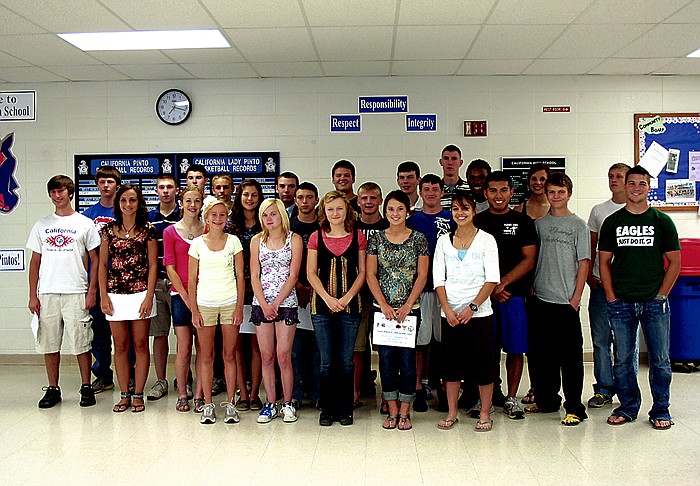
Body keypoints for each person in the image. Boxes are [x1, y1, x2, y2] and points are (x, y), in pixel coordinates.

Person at [599, 165, 681, 430]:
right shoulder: (613, 221)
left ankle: (661, 409)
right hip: (621, 302)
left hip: (654, 303)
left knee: (659, 359)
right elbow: (604, 262)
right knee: (623, 359)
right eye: (631, 183)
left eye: (641, 184)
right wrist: (610, 296)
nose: (635, 188)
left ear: (649, 187)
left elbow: (675, 262)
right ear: (625, 186)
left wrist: (661, 296)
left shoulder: (662, 221)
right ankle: (628, 406)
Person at [27, 175, 101, 408]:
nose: (57, 196)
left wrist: (92, 291)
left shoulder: (84, 223)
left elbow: (95, 260)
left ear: (71, 193)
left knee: (81, 343)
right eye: (53, 192)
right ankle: (53, 388)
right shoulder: (41, 225)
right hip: (48, 292)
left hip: (76, 291)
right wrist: (32, 295)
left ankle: (86, 386)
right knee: (49, 343)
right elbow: (35, 262)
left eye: (62, 191)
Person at [434, 191, 499, 432]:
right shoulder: (443, 241)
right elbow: (438, 279)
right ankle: (452, 412)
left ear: (474, 211)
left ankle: (484, 412)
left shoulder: (486, 240)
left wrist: (473, 307)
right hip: (450, 315)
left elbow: (492, 279)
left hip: (479, 314)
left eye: (465, 208)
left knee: (483, 365)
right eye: (455, 209)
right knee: (451, 367)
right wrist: (447, 309)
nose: (460, 213)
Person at [527, 172, 589, 426]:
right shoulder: (539, 225)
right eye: (551, 192)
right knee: (542, 357)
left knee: (571, 359)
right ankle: (546, 401)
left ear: (569, 194)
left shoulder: (579, 226)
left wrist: (575, 299)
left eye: (560, 192)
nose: (556, 196)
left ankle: (574, 406)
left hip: (566, 302)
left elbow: (583, 263)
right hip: (541, 299)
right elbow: (532, 260)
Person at [474, 171, 537, 420]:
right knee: (485, 350)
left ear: (511, 192)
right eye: (493, 190)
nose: (498, 196)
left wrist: (502, 284)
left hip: (514, 296)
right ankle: (486, 399)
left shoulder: (524, 222)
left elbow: (529, 259)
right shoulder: (477, 222)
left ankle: (511, 398)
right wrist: (490, 289)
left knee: (515, 348)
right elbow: (470, 260)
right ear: (485, 193)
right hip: (483, 299)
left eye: (503, 190)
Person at [366, 190, 429, 431]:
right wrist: (383, 304)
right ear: (385, 211)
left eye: (400, 209)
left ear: (408, 211)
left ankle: (405, 411)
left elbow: (422, 275)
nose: (395, 213)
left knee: (408, 362)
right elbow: (371, 274)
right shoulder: (377, 239)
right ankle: (391, 410)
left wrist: (406, 305)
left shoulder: (418, 239)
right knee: (386, 362)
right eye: (391, 209)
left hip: (409, 311)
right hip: (381, 311)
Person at [307, 191, 367, 426]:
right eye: (330, 209)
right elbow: (311, 273)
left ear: (347, 211)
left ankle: (345, 408)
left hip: (351, 309)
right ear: (324, 211)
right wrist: (329, 299)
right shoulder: (316, 237)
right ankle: (327, 408)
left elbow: (362, 272)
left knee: (345, 361)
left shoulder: (358, 236)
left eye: (339, 209)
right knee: (327, 361)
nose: (335, 213)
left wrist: (346, 298)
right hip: (321, 308)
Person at [99, 184, 158, 414]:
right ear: (118, 203)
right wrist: (103, 295)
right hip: (115, 295)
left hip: (141, 293)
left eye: (132, 200)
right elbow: (103, 265)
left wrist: (149, 296)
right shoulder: (107, 231)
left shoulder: (149, 230)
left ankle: (138, 394)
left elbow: (154, 265)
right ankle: (124, 393)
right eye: (123, 200)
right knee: (120, 346)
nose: (128, 205)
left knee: (141, 345)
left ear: (139, 203)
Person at [188, 199, 245, 424]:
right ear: (207, 217)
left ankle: (231, 403)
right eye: (214, 215)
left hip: (230, 302)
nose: (218, 218)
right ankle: (208, 404)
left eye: (222, 215)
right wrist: (194, 310)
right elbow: (192, 279)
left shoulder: (234, 242)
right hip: (205, 304)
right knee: (207, 356)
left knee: (229, 355)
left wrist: (239, 307)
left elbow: (241, 276)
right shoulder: (197, 244)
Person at [250, 199, 303, 423]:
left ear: (282, 215)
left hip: (286, 303)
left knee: (283, 356)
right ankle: (270, 403)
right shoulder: (256, 240)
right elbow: (254, 274)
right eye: (265, 215)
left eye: (273, 214)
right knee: (267, 356)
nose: (269, 219)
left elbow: (293, 275)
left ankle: (288, 403)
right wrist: (264, 304)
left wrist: (277, 303)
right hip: (262, 303)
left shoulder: (295, 239)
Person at [406, 174, 455, 412]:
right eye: (426, 189)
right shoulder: (413, 220)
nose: (431, 193)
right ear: (421, 192)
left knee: (445, 340)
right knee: (420, 341)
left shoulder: (451, 218)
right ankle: (418, 387)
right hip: (421, 289)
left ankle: (446, 388)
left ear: (442, 192)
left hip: (448, 289)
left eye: (435, 189)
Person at [586, 163, 631, 409]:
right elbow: (591, 246)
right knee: (601, 340)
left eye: (619, 176)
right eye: (611, 176)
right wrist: (589, 277)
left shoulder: (637, 210)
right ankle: (603, 388)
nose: (614, 180)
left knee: (626, 342)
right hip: (601, 286)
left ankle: (627, 389)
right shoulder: (599, 210)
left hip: (627, 288)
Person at [163, 185, 206, 412]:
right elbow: (170, 267)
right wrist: (186, 296)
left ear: (201, 203)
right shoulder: (170, 232)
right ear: (181, 203)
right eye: (188, 201)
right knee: (184, 347)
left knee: (203, 347)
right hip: (180, 296)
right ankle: (182, 393)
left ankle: (199, 394)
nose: (192, 205)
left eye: (196, 201)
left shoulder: (208, 229)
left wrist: (197, 298)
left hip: (205, 295)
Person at [513, 163, 550, 405]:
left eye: (543, 179)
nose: (538, 183)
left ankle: (542, 386)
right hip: (524, 282)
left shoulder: (555, 208)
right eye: (534, 179)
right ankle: (531, 386)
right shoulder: (519, 210)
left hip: (548, 280)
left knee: (543, 340)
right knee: (526, 339)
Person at [81, 165, 120, 394]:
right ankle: (103, 375)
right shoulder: (87, 217)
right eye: (102, 182)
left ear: (117, 184)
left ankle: (131, 376)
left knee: (126, 333)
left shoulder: (125, 211)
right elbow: (86, 253)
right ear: (97, 185)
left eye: (110, 182)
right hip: (96, 281)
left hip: (124, 282)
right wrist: (90, 285)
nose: (106, 186)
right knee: (100, 333)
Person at [229, 179, 264, 411]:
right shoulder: (230, 227)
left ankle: (254, 393)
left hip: (261, 293)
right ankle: (242, 393)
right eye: (245, 195)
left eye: (253, 195)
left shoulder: (267, 225)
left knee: (257, 346)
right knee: (237, 346)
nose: (249, 199)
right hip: (235, 292)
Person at [354, 182, 388, 409]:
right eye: (364, 198)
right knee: (357, 348)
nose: (368, 202)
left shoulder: (389, 226)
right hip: (356, 296)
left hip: (383, 297)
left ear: (380, 201)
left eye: (372, 198)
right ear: (358, 201)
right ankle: (354, 393)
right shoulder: (350, 227)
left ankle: (388, 395)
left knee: (385, 348)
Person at [146, 174, 180, 401]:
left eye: (170, 187)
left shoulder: (186, 216)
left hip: (181, 285)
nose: (166, 190)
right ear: (156, 191)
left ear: (177, 190)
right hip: (157, 282)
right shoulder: (149, 219)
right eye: (161, 187)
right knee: (159, 335)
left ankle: (183, 375)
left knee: (186, 333)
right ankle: (161, 380)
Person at [289, 182, 321, 408]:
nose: (304, 202)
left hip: (320, 294)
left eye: (309, 197)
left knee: (319, 350)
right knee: (296, 350)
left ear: (316, 200)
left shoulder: (325, 226)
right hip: (294, 293)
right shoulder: (288, 227)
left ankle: (319, 394)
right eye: (300, 197)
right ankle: (297, 395)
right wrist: (299, 286)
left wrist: (314, 288)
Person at [438, 144, 469, 209]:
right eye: (446, 158)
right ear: (441, 162)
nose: (450, 162)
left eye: (454, 159)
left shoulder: (469, 189)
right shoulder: (435, 189)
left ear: (461, 163)